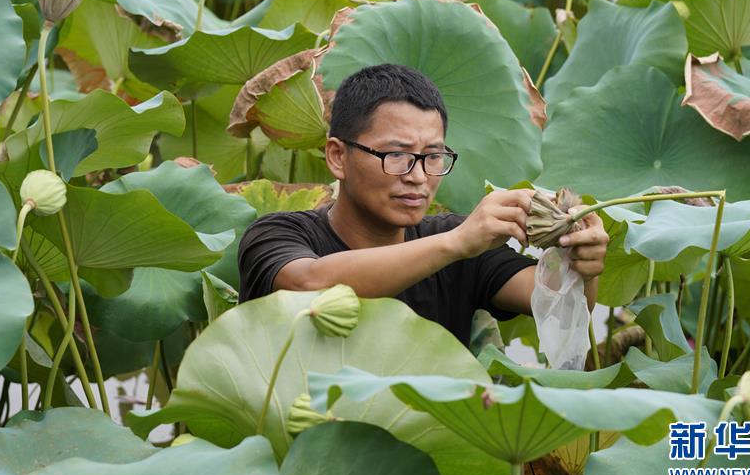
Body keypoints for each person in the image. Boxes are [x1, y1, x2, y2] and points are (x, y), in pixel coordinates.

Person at [237, 64, 609, 346]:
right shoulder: (276, 234)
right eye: (397, 154)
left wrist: (582, 264)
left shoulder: (457, 243)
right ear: (338, 157)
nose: (417, 176)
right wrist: (457, 243)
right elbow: (309, 284)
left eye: (433, 156)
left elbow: (561, 303)